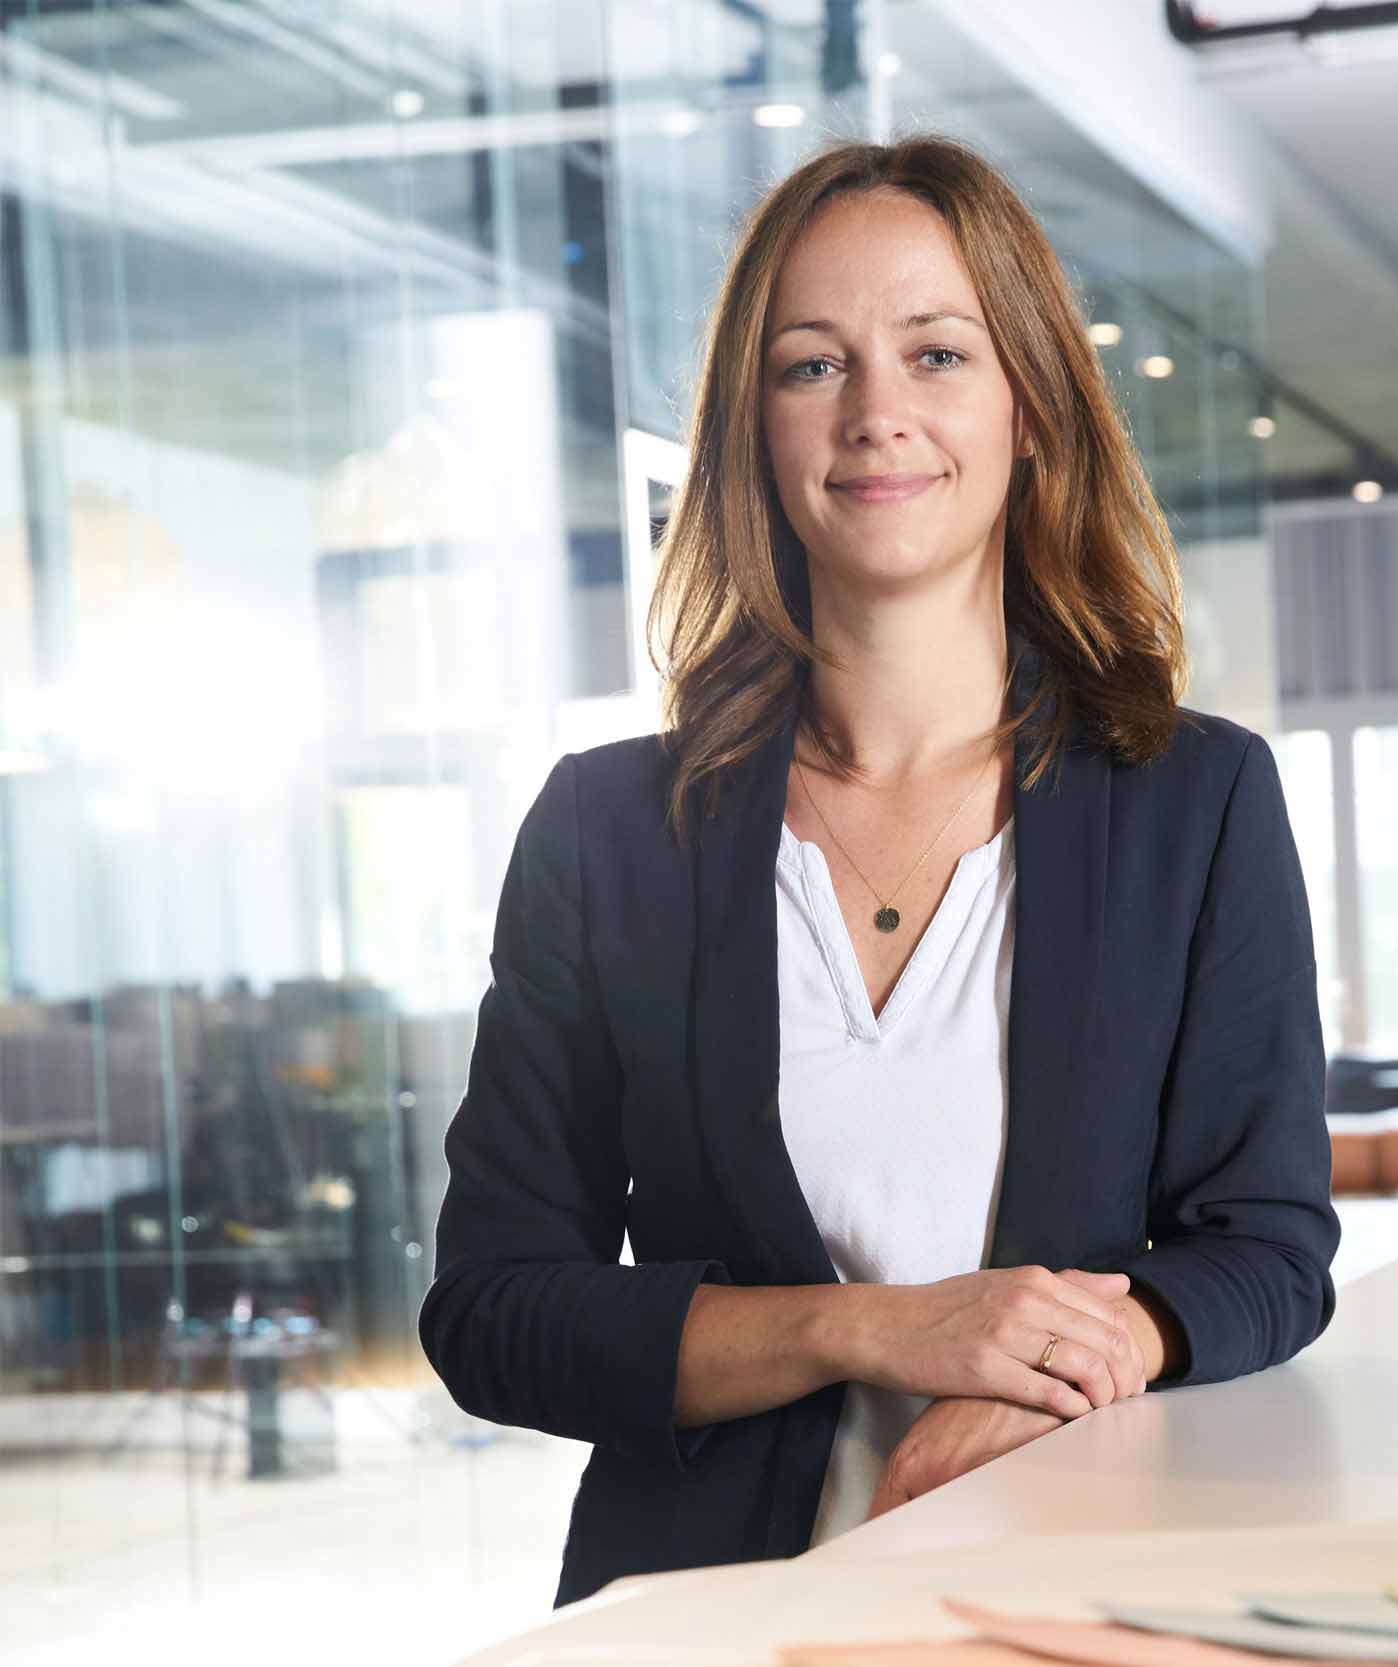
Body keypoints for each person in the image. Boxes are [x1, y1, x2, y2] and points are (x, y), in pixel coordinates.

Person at [418, 132, 1340, 1610]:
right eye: (811, 366)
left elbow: (1270, 1248)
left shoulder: (1196, 799)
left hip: (1077, 1597)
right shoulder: (606, 832)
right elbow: (498, 1314)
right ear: (752, 429)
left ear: (1028, 404)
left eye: (936, 353)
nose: (876, 415)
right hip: (711, 1613)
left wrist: (1063, 1368)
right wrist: (880, 1330)